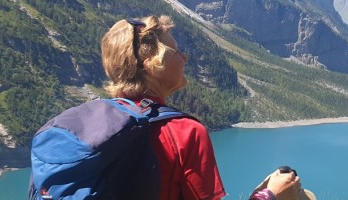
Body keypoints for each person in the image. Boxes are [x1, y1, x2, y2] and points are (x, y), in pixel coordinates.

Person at [101, 15, 301, 200]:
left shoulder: (87, 120)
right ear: (153, 65)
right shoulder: (186, 133)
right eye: (176, 51)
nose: (184, 57)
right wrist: (269, 195)